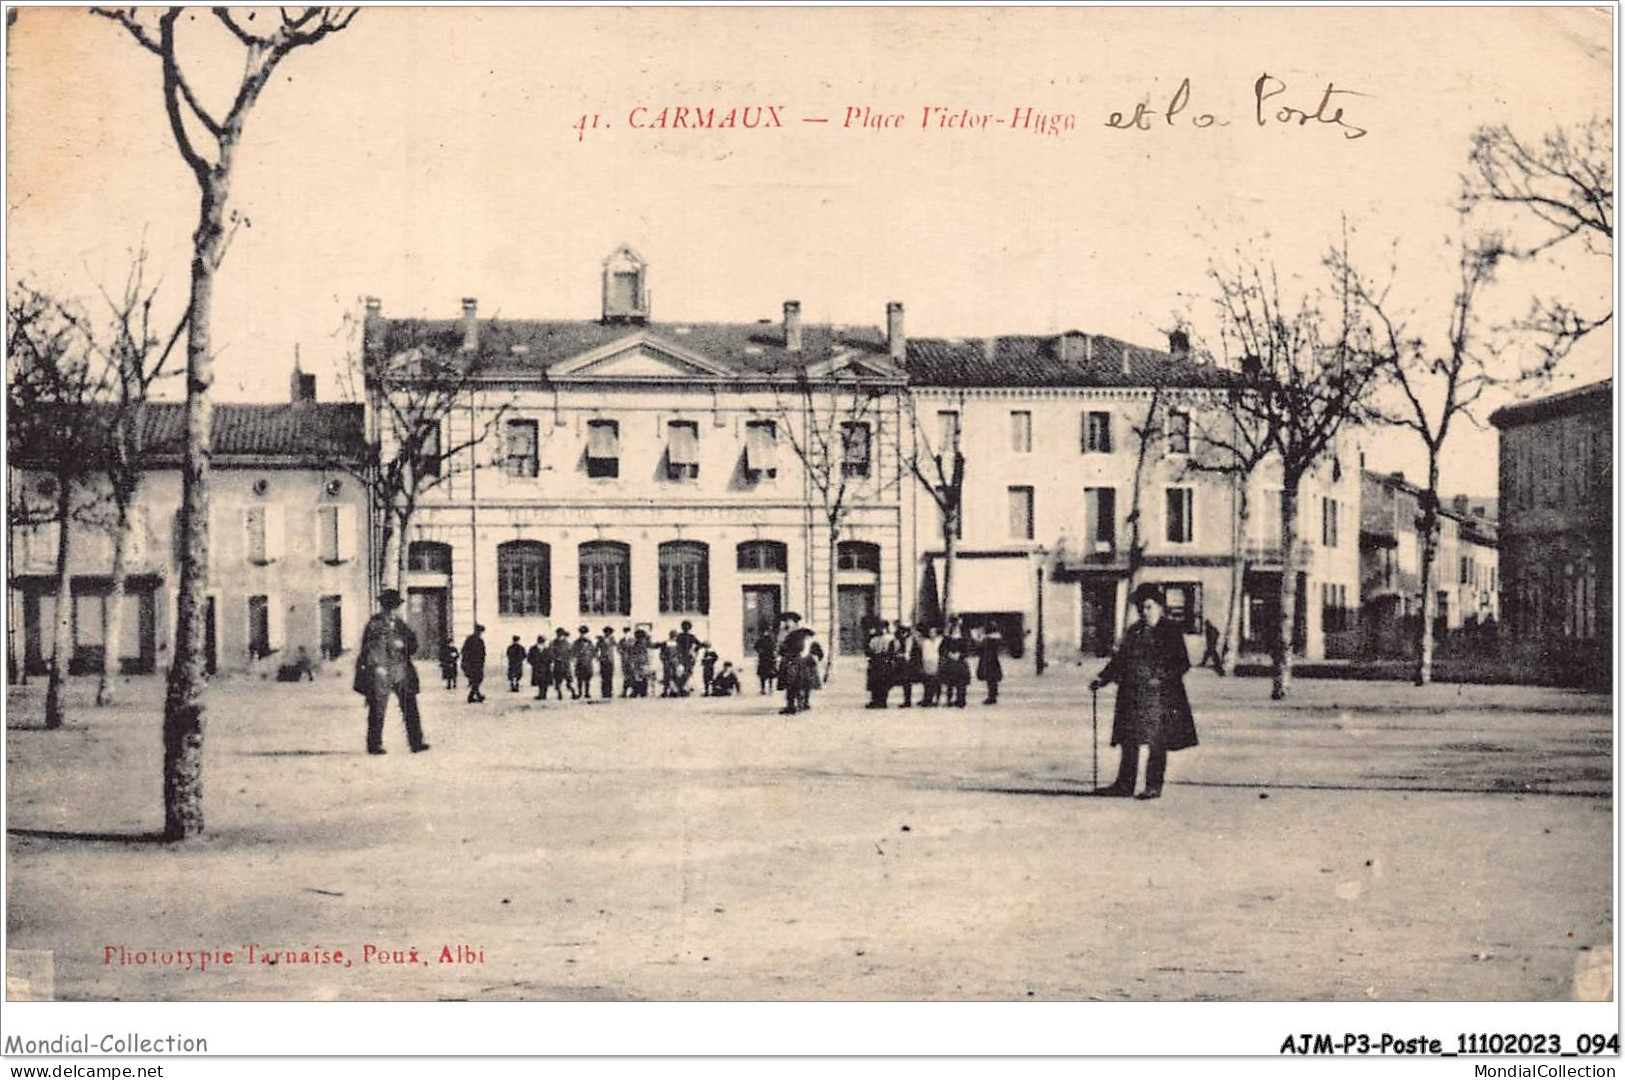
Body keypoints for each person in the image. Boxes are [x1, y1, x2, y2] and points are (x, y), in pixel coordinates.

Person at [1090, 583, 1198, 800]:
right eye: (1141, 608)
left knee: (1158, 741)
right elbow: (1120, 661)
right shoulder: (1134, 631)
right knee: (1129, 740)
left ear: (1159, 607)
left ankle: (1153, 786)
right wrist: (1102, 678)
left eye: (1148, 607)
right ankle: (1124, 784)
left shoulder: (1171, 631)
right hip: (1133, 695)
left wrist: (1160, 679)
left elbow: (1182, 664)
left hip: (1161, 697)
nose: (1144, 612)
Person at [353, 589, 428, 755]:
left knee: (410, 705)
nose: (392, 610)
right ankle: (374, 744)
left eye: (394, 607)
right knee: (377, 709)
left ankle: (416, 742)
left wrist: (405, 645)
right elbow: (369, 649)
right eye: (389, 607)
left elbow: (413, 645)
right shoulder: (374, 624)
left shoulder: (401, 625)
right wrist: (376, 666)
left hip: (401, 670)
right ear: (383, 606)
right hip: (381, 671)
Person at [940, 618, 971, 708]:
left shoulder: (964, 637)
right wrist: (948, 654)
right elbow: (941, 649)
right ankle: (949, 700)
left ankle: (961, 700)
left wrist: (961, 655)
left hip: (960, 662)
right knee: (949, 682)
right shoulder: (947, 638)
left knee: (961, 683)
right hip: (949, 662)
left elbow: (968, 649)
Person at [865, 619, 895, 709]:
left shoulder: (890, 639)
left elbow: (891, 651)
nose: (880, 630)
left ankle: (882, 701)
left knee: (884, 682)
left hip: (885, 662)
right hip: (875, 662)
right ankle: (875, 700)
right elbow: (868, 651)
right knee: (874, 682)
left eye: (882, 628)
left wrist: (889, 659)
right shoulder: (873, 639)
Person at [976, 620, 1004, 705]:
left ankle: (991, 696)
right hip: (993, 660)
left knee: (990, 679)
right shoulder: (995, 638)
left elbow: (980, 648)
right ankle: (993, 696)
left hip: (988, 661)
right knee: (992, 680)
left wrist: (979, 637)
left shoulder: (988, 639)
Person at [895, 623, 920, 708]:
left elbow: (915, 654)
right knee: (906, 683)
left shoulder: (911, 640)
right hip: (904, 665)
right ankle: (907, 701)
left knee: (907, 683)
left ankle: (907, 701)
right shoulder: (902, 640)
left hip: (910, 665)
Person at [460, 624, 487, 703]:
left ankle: (476, 695)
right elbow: (465, 651)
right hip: (472, 663)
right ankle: (472, 696)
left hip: (477, 663)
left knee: (477, 679)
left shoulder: (478, 640)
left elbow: (483, 653)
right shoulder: (472, 640)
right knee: (477, 679)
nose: (480, 633)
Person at [917, 625, 943, 706]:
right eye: (930, 632)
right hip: (927, 662)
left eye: (933, 632)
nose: (932, 634)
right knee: (927, 682)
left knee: (937, 682)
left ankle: (937, 699)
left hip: (937, 662)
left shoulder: (940, 641)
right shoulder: (926, 642)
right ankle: (927, 698)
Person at [675, 620, 700, 696]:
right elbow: (676, 647)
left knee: (688, 673)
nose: (686, 629)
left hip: (688, 658)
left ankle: (685, 689)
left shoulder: (691, 637)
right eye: (684, 627)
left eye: (687, 627)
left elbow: (699, 644)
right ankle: (681, 689)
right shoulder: (679, 636)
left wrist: (694, 652)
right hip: (681, 657)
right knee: (681, 673)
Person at [548, 627, 575, 700]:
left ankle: (573, 692)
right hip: (557, 665)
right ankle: (559, 694)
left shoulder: (567, 643)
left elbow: (571, 653)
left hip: (566, 665)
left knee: (568, 681)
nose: (560, 636)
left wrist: (568, 659)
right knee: (557, 681)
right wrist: (555, 658)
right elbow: (550, 653)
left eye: (561, 635)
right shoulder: (553, 643)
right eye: (558, 635)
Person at [571, 626, 596, 700]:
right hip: (580, 663)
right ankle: (580, 692)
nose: (583, 635)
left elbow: (593, 652)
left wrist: (591, 658)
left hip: (588, 663)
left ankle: (587, 693)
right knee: (579, 679)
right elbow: (573, 652)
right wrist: (575, 658)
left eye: (584, 633)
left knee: (587, 679)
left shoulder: (590, 642)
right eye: (582, 633)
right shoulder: (576, 642)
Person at [596, 626, 619, 701]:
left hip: (610, 660)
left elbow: (618, 647)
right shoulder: (600, 640)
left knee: (610, 677)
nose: (608, 634)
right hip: (603, 660)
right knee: (604, 677)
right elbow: (596, 649)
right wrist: (598, 657)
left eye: (609, 632)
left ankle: (609, 692)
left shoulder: (612, 639)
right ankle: (604, 692)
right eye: (607, 632)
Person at [754, 627, 778, 695]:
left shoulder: (772, 640)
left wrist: (774, 655)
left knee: (770, 675)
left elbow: (775, 648)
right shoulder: (761, 640)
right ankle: (763, 689)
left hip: (770, 659)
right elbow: (756, 647)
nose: (766, 633)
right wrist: (760, 651)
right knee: (762, 675)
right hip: (763, 659)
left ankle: (770, 689)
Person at [527, 634, 550, 701]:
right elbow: (529, 658)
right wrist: (534, 663)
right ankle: (541, 694)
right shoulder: (534, 649)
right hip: (538, 668)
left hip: (545, 668)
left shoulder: (547, 649)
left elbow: (551, 658)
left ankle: (543, 694)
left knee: (544, 682)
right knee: (540, 682)